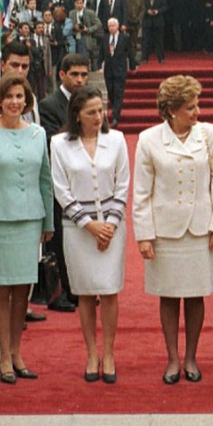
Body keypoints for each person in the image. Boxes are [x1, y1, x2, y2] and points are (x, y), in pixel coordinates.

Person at [133, 75, 213, 384]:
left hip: (201, 229)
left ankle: (191, 356)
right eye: (190, 107)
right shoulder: (149, 139)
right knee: (168, 295)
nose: (197, 112)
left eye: (197, 105)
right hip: (165, 230)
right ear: (171, 110)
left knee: (195, 295)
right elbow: (141, 192)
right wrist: (144, 235)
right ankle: (172, 358)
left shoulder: (211, 135)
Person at [0, 73, 54, 384]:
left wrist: (48, 223)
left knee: (24, 289)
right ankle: (4, 354)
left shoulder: (38, 133)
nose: (14, 102)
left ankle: (18, 351)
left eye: (20, 97)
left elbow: (45, 180)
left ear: (27, 100)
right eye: (9, 97)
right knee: (2, 288)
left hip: (30, 220)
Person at [50, 87, 130, 384]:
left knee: (109, 291)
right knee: (85, 293)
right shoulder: (59, 144)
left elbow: (123, 184)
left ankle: (109, 352)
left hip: (112, 226)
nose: (99, 117)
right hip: (78, 229)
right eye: (91, 113)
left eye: (101, 110)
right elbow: (61, 189)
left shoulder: (117, 139)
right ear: (77, 115)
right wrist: (89, 224)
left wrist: (108, 224)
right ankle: (91, 352)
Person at [39, 54, 91, 313]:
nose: (80, 80)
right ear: (62, 75)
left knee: (83, 238)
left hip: (86, 180)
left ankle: (81, 287)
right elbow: (49, 142)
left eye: (84, 74)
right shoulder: (49, 104)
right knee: (58, 239)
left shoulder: (91, 100)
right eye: (75, 74)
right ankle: (59, 291)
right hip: (59, 181)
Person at [101, 18, 136, 127]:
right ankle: (115, 108)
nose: (111, 28)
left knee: (118, 92)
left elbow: (130, 52)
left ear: (117, 26)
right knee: (111, 90)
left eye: (113, 26)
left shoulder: (124, 38)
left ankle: (116, 115)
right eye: (109, 26)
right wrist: (98, 64)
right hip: (108, 69)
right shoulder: (105, 38)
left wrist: (132, 66)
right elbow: (101, 53)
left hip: (120, 69)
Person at [142, 0, 167, 64]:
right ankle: (144, 58)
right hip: (147, 21)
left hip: (158, 21)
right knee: (146, 41)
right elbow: (141, 7)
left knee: (159, 41)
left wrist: (158, 11)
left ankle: (161, 58)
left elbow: (165, 6)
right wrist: (146, 11)